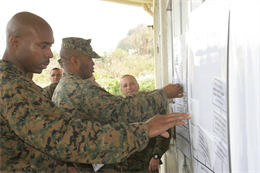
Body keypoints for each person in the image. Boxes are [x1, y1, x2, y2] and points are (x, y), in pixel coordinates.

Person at [0, 12, 190, 172]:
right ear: (15, 43)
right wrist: (144, 129)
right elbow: (66, 136)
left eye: (50, 46)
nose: (50, 54)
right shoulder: (12, 86)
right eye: (43, 46)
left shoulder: (25, 83)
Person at [52, 37, 189, 172]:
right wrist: (163, 93)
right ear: (74, 61)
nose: (93, 63)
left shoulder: (61, 88)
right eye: (89, 59)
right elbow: (123, 111)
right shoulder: (81, 89)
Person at [120, 74, 169, 173]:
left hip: (148, 164)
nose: (129, 87)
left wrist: (156, 156)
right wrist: (118, 162)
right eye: (125, 86)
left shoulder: (151, 105)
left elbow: (164, 133)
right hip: (127, 166)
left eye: (131, 84)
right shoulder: (119, 110)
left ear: (137, 86)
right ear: (122, 90)